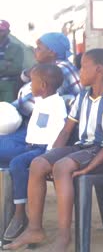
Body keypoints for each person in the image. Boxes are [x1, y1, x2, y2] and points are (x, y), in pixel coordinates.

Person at [5, 48, 103, 251]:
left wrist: (89, 168)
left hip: (102, 151)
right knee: (38, 163)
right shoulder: (82, 97)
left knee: (61, 167)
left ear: (99, 70)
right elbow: (66, 131)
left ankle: (64, 234)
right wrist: (50, 156)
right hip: (80, 147)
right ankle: (34, 228)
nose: (79, 72)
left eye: (83, 67)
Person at [3, 64, 67, 241]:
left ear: (44, 86)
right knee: (5, 149)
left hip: (43, 150)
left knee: (17, 163)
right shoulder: (40, 101)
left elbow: (59, 131)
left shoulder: (57, 105)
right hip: (29, 146)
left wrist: (49, 155)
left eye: (33, 82)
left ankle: (19, 214)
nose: (30, 85)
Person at [0, 32, 81, 164]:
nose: (35, 50)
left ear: (52, 51)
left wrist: (7, 111)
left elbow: (28, 104)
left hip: (45, 134)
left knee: (3, 146)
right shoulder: (48, 68)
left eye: (39, 48)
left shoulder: (58, 71)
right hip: (36, 125)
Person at [0, 20, 24, 102]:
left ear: (8, 31)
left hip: (8, 85)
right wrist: (5, 64)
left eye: (1, 31)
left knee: (6, 111)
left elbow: (16, 69)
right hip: (7, 80)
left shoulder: (17, 48)